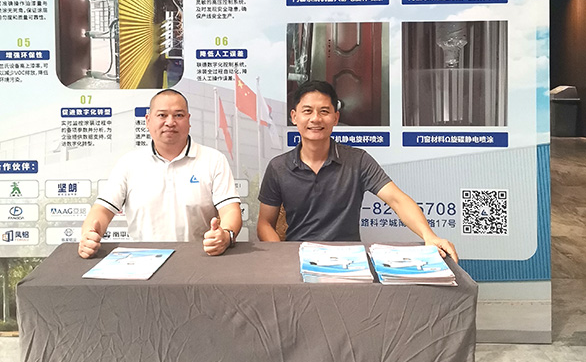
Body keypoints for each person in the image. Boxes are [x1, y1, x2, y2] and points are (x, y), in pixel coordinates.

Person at [257, 80, 458, 262]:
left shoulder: (358, 160)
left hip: (349, 263)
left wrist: (429, 236)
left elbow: (397, 200)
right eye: (307, 111)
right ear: (294, 117)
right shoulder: (278, 167)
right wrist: (283, 256)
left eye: (324, 111)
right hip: (299, 260)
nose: (316, 119)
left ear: (335, 118)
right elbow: (265, 223)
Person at [79, 89, 242, 259]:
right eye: (162, 115)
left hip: (199, 259)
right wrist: (89, 235)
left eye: (178, 115)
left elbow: (230, 210)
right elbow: (101, 210)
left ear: (188, 120)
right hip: (140, 260)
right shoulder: (129, 163)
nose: (170, 122)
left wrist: (226, 235)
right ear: (148, 120)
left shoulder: (213, 160)